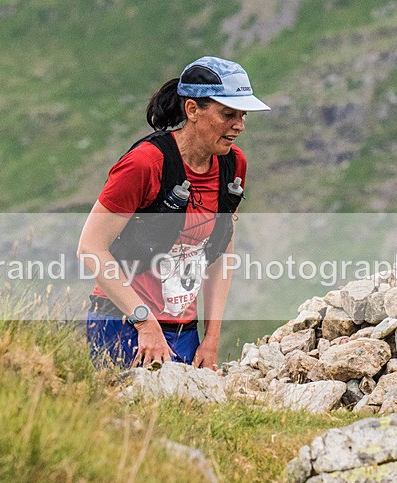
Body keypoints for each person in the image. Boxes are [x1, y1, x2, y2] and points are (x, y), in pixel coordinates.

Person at [77, 56, 270, 369]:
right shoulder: (144, 165)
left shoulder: (233, 165)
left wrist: (211, 339)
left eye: (243, 115)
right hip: (123, 323)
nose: (239, 125)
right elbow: (91, 248)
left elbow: (220, 251)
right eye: (228, 114)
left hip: (185, 331)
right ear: (192, 110)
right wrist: (144, 322)